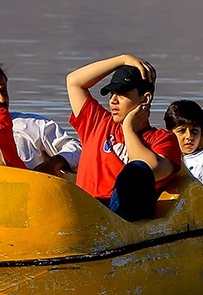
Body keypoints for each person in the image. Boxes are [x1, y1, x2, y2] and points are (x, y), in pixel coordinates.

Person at [66, 55, 182, 221]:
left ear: (145, 99)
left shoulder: (163, 138)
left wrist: (129, 129)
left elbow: (153, 170)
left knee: (137, 170)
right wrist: (122, 59)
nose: (113, 101)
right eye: (112, 94)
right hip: (87, 211)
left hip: (125, 220)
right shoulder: (97, 122)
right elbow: (74, 81)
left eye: (122, 94)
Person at [0, 64, 82, 178]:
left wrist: (54, 163)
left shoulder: (32, 125)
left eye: (4, 91)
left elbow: (76, 148)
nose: (1, 99)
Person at [164, 99, 203, 197]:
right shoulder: (164, 158)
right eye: (181, 131)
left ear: (201, 133)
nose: (189, 136)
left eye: (194, 131)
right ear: (169, 134)